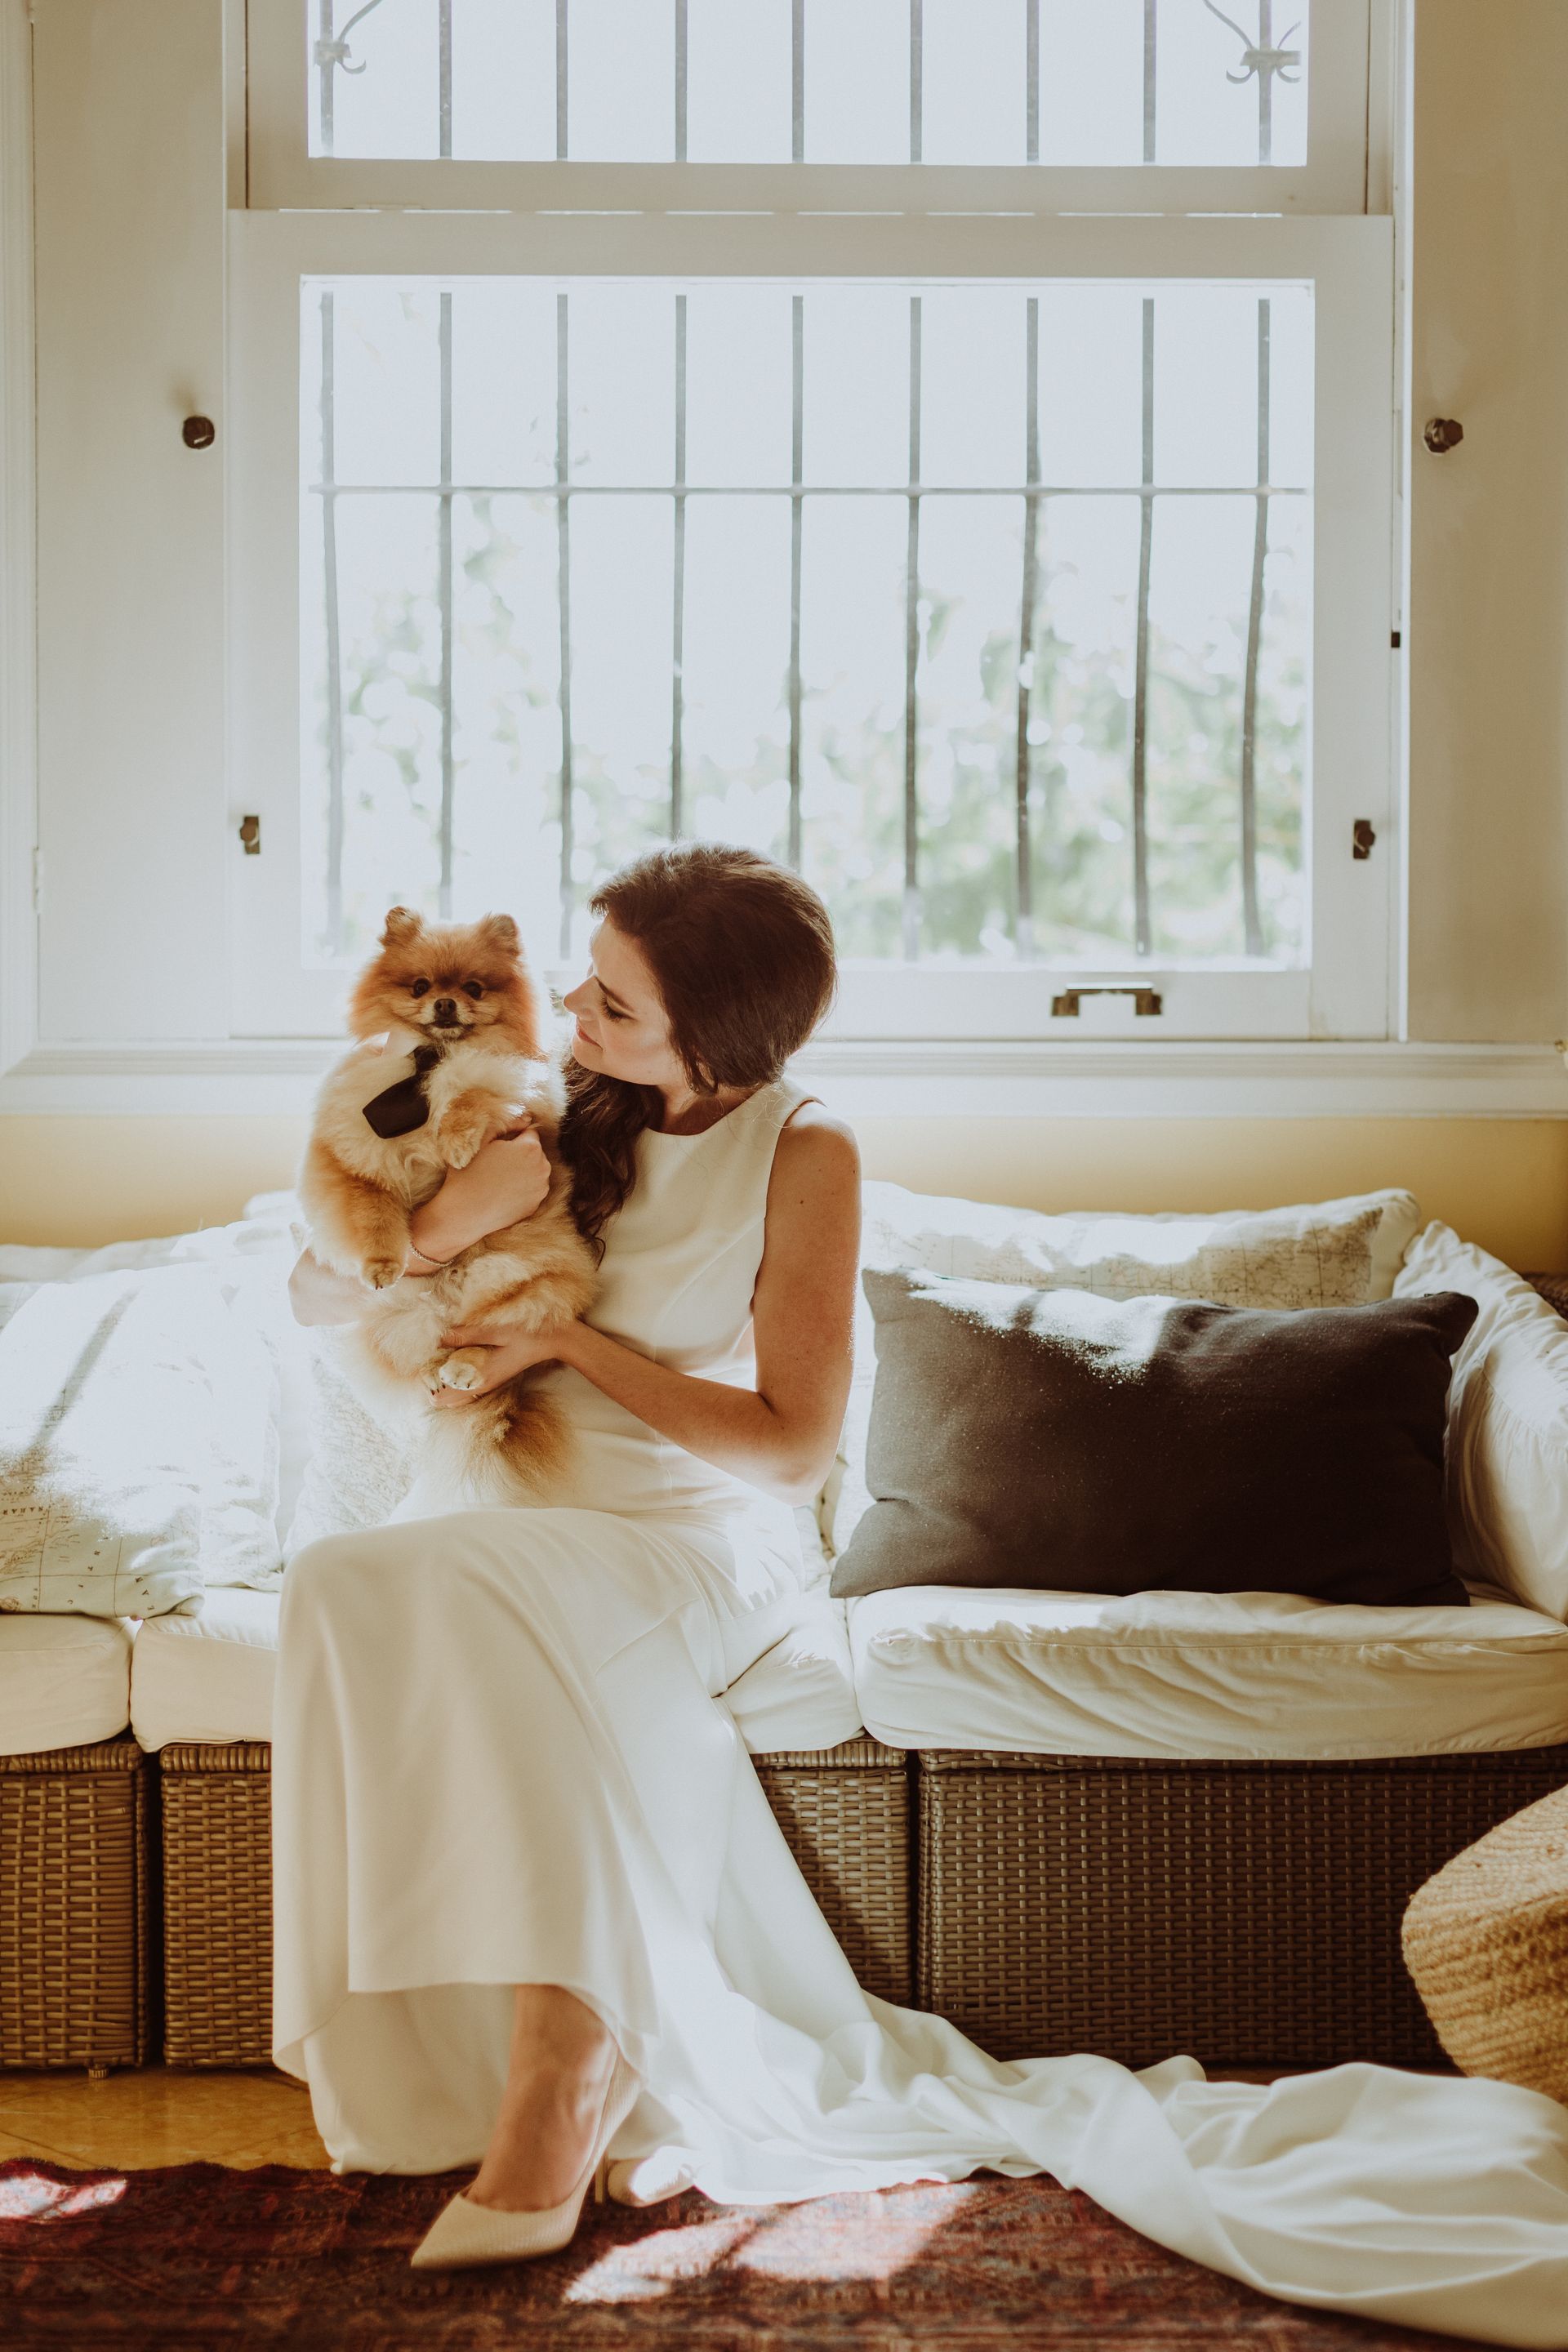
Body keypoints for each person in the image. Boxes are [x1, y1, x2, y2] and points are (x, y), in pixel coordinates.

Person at [276, 844, 1568, 2340]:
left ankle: (564, 2075)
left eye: (614, 1004)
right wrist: (449, 1222)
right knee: (347, 1580)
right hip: (511, 1511)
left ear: (718, 1039)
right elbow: (312, 1284)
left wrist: (573, 1347)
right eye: (583, 980)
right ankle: (441, 2063)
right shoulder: (546, 1103)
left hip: (692, 1528)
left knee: (452, 1589)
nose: (573, 1009)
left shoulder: (804, 1150)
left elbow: (787, 1446)